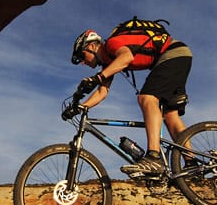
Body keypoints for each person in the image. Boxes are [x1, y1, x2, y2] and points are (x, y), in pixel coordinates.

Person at [66, 25, 193, 175]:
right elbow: (102, 91)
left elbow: (126, 57)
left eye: (82, 56)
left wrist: (97, 78)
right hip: (178, 56)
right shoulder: (108, 63)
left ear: (92, 46)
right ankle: (191, 162)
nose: (82, 62)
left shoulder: (111, 45)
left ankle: (153, 157)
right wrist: (81, 107)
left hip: (172, 54)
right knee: (170, 114)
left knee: (146, 98)